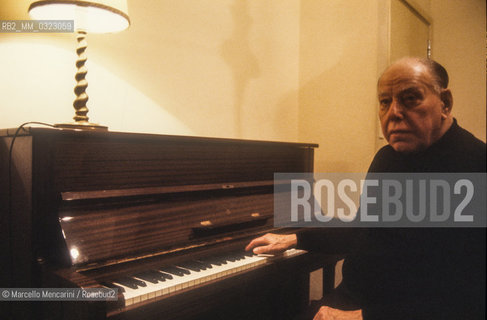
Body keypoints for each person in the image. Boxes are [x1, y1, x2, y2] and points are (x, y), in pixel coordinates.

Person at [246, 57, 486, 320]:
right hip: (353, 298)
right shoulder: (387, 157)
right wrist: (297, 238)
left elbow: (469, 296)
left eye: (411, 98)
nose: (394, 112)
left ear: (445, 103)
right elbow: (365, 230)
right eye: (385, 102)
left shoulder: (476, 165)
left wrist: (363, 316)